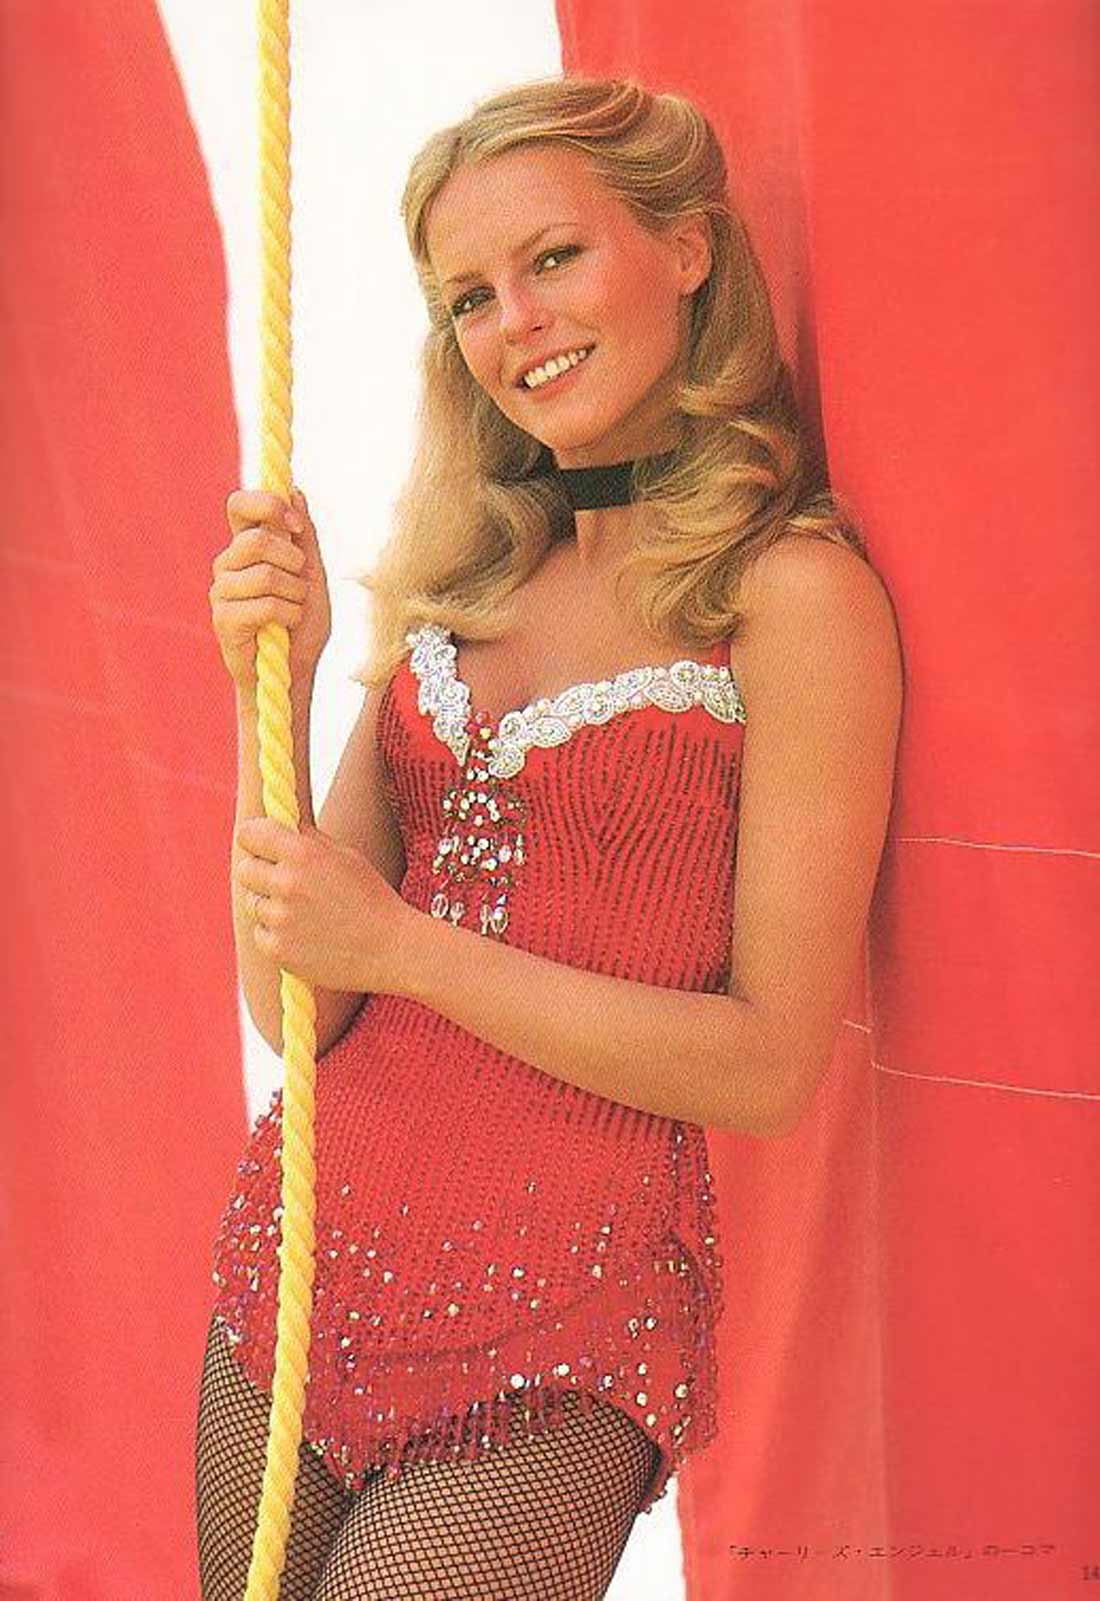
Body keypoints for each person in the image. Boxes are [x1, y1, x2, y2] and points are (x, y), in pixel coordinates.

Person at [198, 72, 902, 1601]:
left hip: (562, 1318)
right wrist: (282, 685)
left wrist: (409, 948)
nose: (514, 321)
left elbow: (767, 1063)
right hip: (301, 1260)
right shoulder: (461, 584)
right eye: (469, 297)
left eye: (553, 258)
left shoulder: (793, 597)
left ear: (687, 248)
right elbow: (297, 1002)